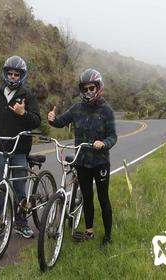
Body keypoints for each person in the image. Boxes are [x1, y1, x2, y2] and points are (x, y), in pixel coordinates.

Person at [48, 68, 117, 247]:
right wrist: (51, 119)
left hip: (100, 162)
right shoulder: (77, 108)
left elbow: (113, 137)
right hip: (82, 161)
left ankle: (108, 237)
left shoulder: (106, 110)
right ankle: (89, 231)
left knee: (103, 198)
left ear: (98, 87)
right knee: (86, 197)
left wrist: (104, 143)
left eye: (91, 88)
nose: (88, 92)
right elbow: (60, 122)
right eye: (85, 89)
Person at [0, 56, 41, 240]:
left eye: (16, 74)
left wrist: (24, 113)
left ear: (22, 76)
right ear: (5, 74)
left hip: (20, 149)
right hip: (1, 148)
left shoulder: (27, 96)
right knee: (0, 187)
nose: (13, 77)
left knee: (20, 189)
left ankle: (21, 224)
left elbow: (37, 120)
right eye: (10, 74)